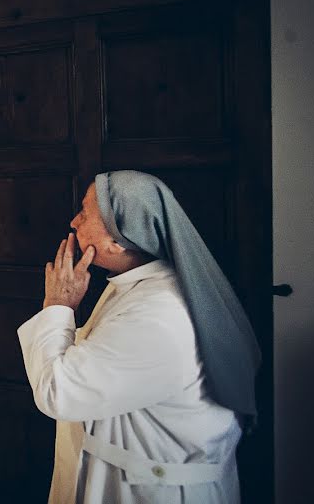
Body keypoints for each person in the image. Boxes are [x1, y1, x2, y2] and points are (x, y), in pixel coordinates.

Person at [18, 171, 260, 504]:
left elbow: (59, 393)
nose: (73, 222)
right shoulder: (135, 284)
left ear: (117, 241)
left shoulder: (159, 315)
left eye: (85, 213)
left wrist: (57, 306)